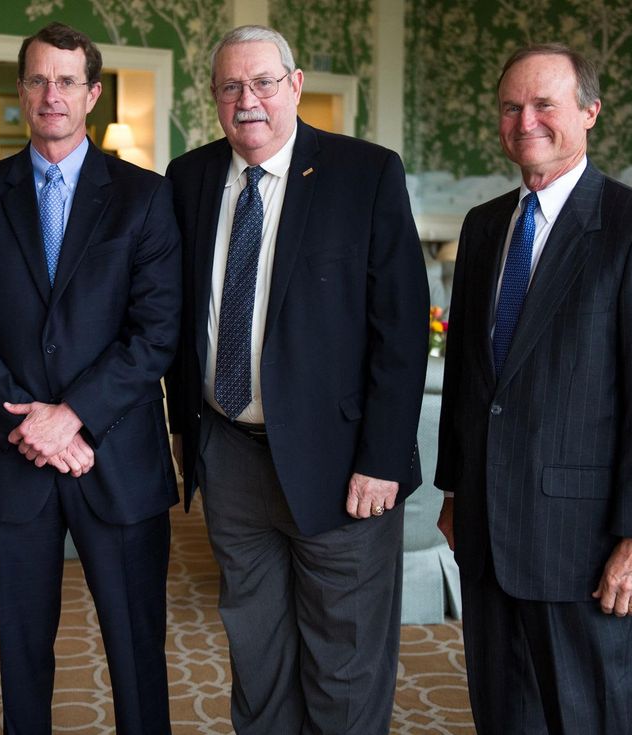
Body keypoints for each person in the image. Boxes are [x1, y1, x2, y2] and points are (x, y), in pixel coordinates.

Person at [165, 25, 428, 734]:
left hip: (343, 466)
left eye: (263, 83)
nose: (247, 100)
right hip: (231, 457)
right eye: (230, 86)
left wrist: (381, 458)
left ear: (296, 84)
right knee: (256, 655)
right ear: (214, 97)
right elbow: (178, 322)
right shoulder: (187, 179)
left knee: (343, 662)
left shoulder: (364, 172)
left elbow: (401, 332)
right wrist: (182, 436)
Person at [0, 22, 181, 735]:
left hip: (117, 458)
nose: (52, 94)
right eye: (38, 80)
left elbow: (156, 331)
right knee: (20, 657)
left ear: (93, 94)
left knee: (138, 653)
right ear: (20, 91)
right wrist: (28, 423)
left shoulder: (144, 196)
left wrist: (70, 415)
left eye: (67, 81)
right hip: (17, 460)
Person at [435, 44, 632, 734]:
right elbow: (470, 381)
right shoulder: (482, 227)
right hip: (487, 530)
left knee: (588, 718)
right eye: (511, 106)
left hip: (586, 545)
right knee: (503, 715)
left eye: (543, 104)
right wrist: (453, 490)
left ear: (589, 113)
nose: (524, 119)